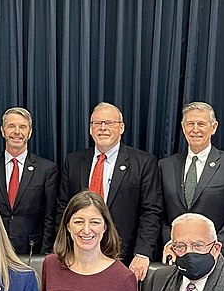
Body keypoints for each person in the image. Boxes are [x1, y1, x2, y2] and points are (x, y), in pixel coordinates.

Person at [58, 102, 161, 280]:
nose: (102, 128)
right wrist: (64, 248)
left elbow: (151, 211)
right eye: (97, 124)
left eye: (109, 123)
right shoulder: (74, 161)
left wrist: (142, 253)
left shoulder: (143, 163)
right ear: (91, 129)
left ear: (121, 128)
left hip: (125, 257)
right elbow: (63, 208)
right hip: (79, 255)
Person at [159, 102, 224, 267]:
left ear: (214, 127)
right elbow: (158, 213)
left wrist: (213, 249)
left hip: (220, 259)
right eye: (190, 124)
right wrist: (173, 244)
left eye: (201, 124)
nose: (195, 129)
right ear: (183, 128)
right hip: (176, 258)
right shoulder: (165, 166)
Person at [0, 107, 58, 255]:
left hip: (32, 250)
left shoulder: (47, 169)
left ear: (30, 132)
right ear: (2, 131)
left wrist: (45, 253)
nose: (17, 132)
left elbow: (49, 216)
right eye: (11, 126)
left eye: (22, 127)